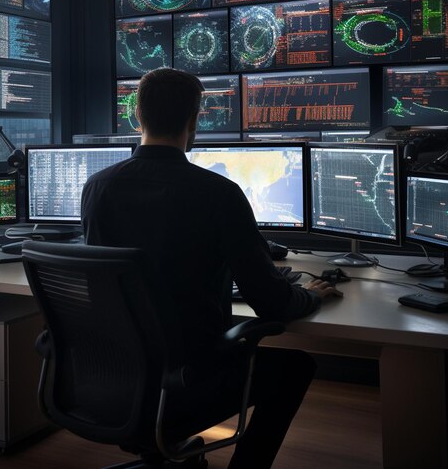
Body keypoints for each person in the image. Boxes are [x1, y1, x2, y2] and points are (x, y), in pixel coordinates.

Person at [81, 68, 342, 469]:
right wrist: (309, 294)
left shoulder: (97, 187)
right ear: (193, 121)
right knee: (296, 367)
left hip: (109, 378)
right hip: (188, 380)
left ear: (137, 117)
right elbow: (271, 302)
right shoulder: (218, 193)